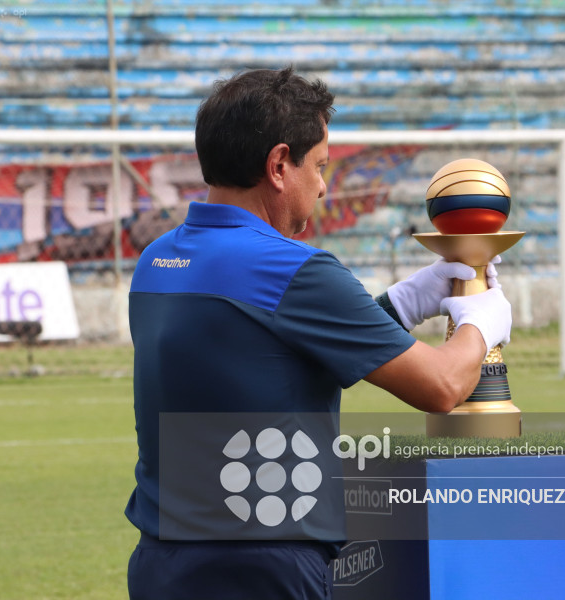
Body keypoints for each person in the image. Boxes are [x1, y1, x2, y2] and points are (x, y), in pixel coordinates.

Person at [125, 66, 513, 600]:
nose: (325, 186)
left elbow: (268, 355)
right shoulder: (294, 270)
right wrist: (480, 322)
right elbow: (442, 386)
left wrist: (398, 304)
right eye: (321, 166)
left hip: (162, 561)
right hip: (264, 563)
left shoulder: (156, 262)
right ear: (280, 165)